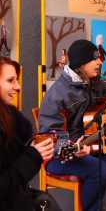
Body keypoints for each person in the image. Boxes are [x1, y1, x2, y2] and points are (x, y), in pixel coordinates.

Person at [38, 39, 106, 211]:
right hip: (61, 156)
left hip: (90, 148)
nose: (100, 61)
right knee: (102, 171)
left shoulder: (94, 82)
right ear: (80, 63)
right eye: (95, 58)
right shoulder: (57, 95)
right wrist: (72, 148)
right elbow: (50, 136)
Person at [0, 56, 54, 211]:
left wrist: (35, 150)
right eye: (10, 80)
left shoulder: (11, 118)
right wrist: (32, 155)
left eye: (17, 80)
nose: (17, 87)